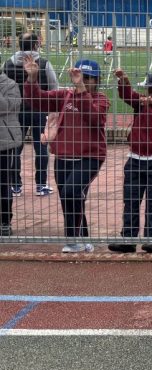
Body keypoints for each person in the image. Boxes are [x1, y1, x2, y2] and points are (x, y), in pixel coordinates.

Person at [23, 57, 109, 253]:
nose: (84, 80)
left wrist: (82, 90)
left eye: (88, 78)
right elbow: (36, 100)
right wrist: (32, 79)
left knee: (71, 192)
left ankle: (72, 240)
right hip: (63, 156)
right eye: (81, 76)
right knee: (69, 198)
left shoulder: (101, 99)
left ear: (97, 80)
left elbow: (94, 118)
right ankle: (83, 238)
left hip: (90, 157)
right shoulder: (65, 95)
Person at [108, 69, 152, 254]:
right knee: (131, 200)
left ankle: (151, 239)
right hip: (136, 158)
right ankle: (128, 239)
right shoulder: (140, 103)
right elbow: (127, 95)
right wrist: (124, 81)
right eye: (150, 90)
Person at [4, 33, 58, 197]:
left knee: (15, 148)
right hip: (38, 109)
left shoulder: (8, 63)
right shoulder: (43, 63)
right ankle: (41, 185)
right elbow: (54, 86)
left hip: (15, 111)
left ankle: (15, 185)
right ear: (35, 45)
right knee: (41, 146)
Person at [0, 69, 21, 236]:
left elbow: (5, 106)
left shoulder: (10, 85)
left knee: (3, 183)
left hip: (5, 142)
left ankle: (5, 221)